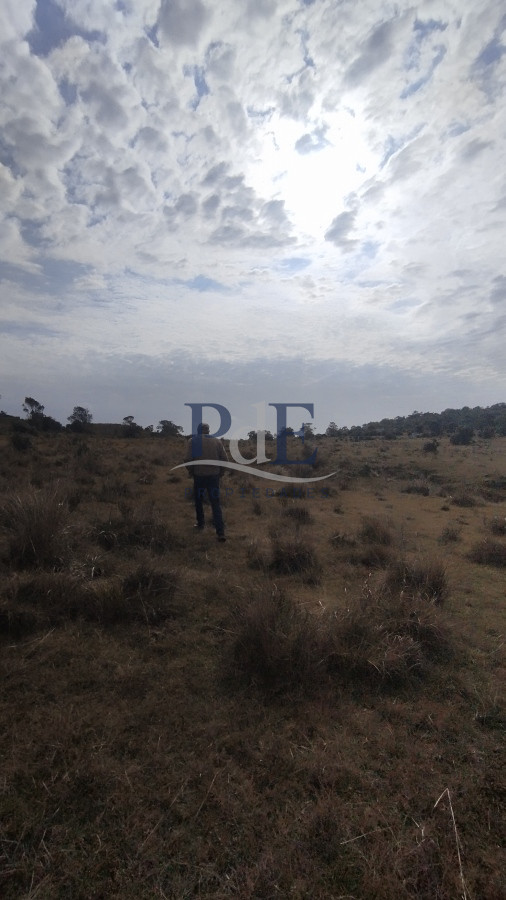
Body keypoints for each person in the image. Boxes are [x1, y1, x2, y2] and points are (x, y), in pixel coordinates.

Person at [185, 423, 228, 541]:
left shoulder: (192, 441)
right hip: (214, 477)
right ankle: (220, 532)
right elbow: (225, 459)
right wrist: (221, 472)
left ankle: (200, 524)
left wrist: (191, 471)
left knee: (198, 501)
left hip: (199, 476)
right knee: (215, 503)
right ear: (208, 430)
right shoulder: (217, 441)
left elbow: (187, 459)